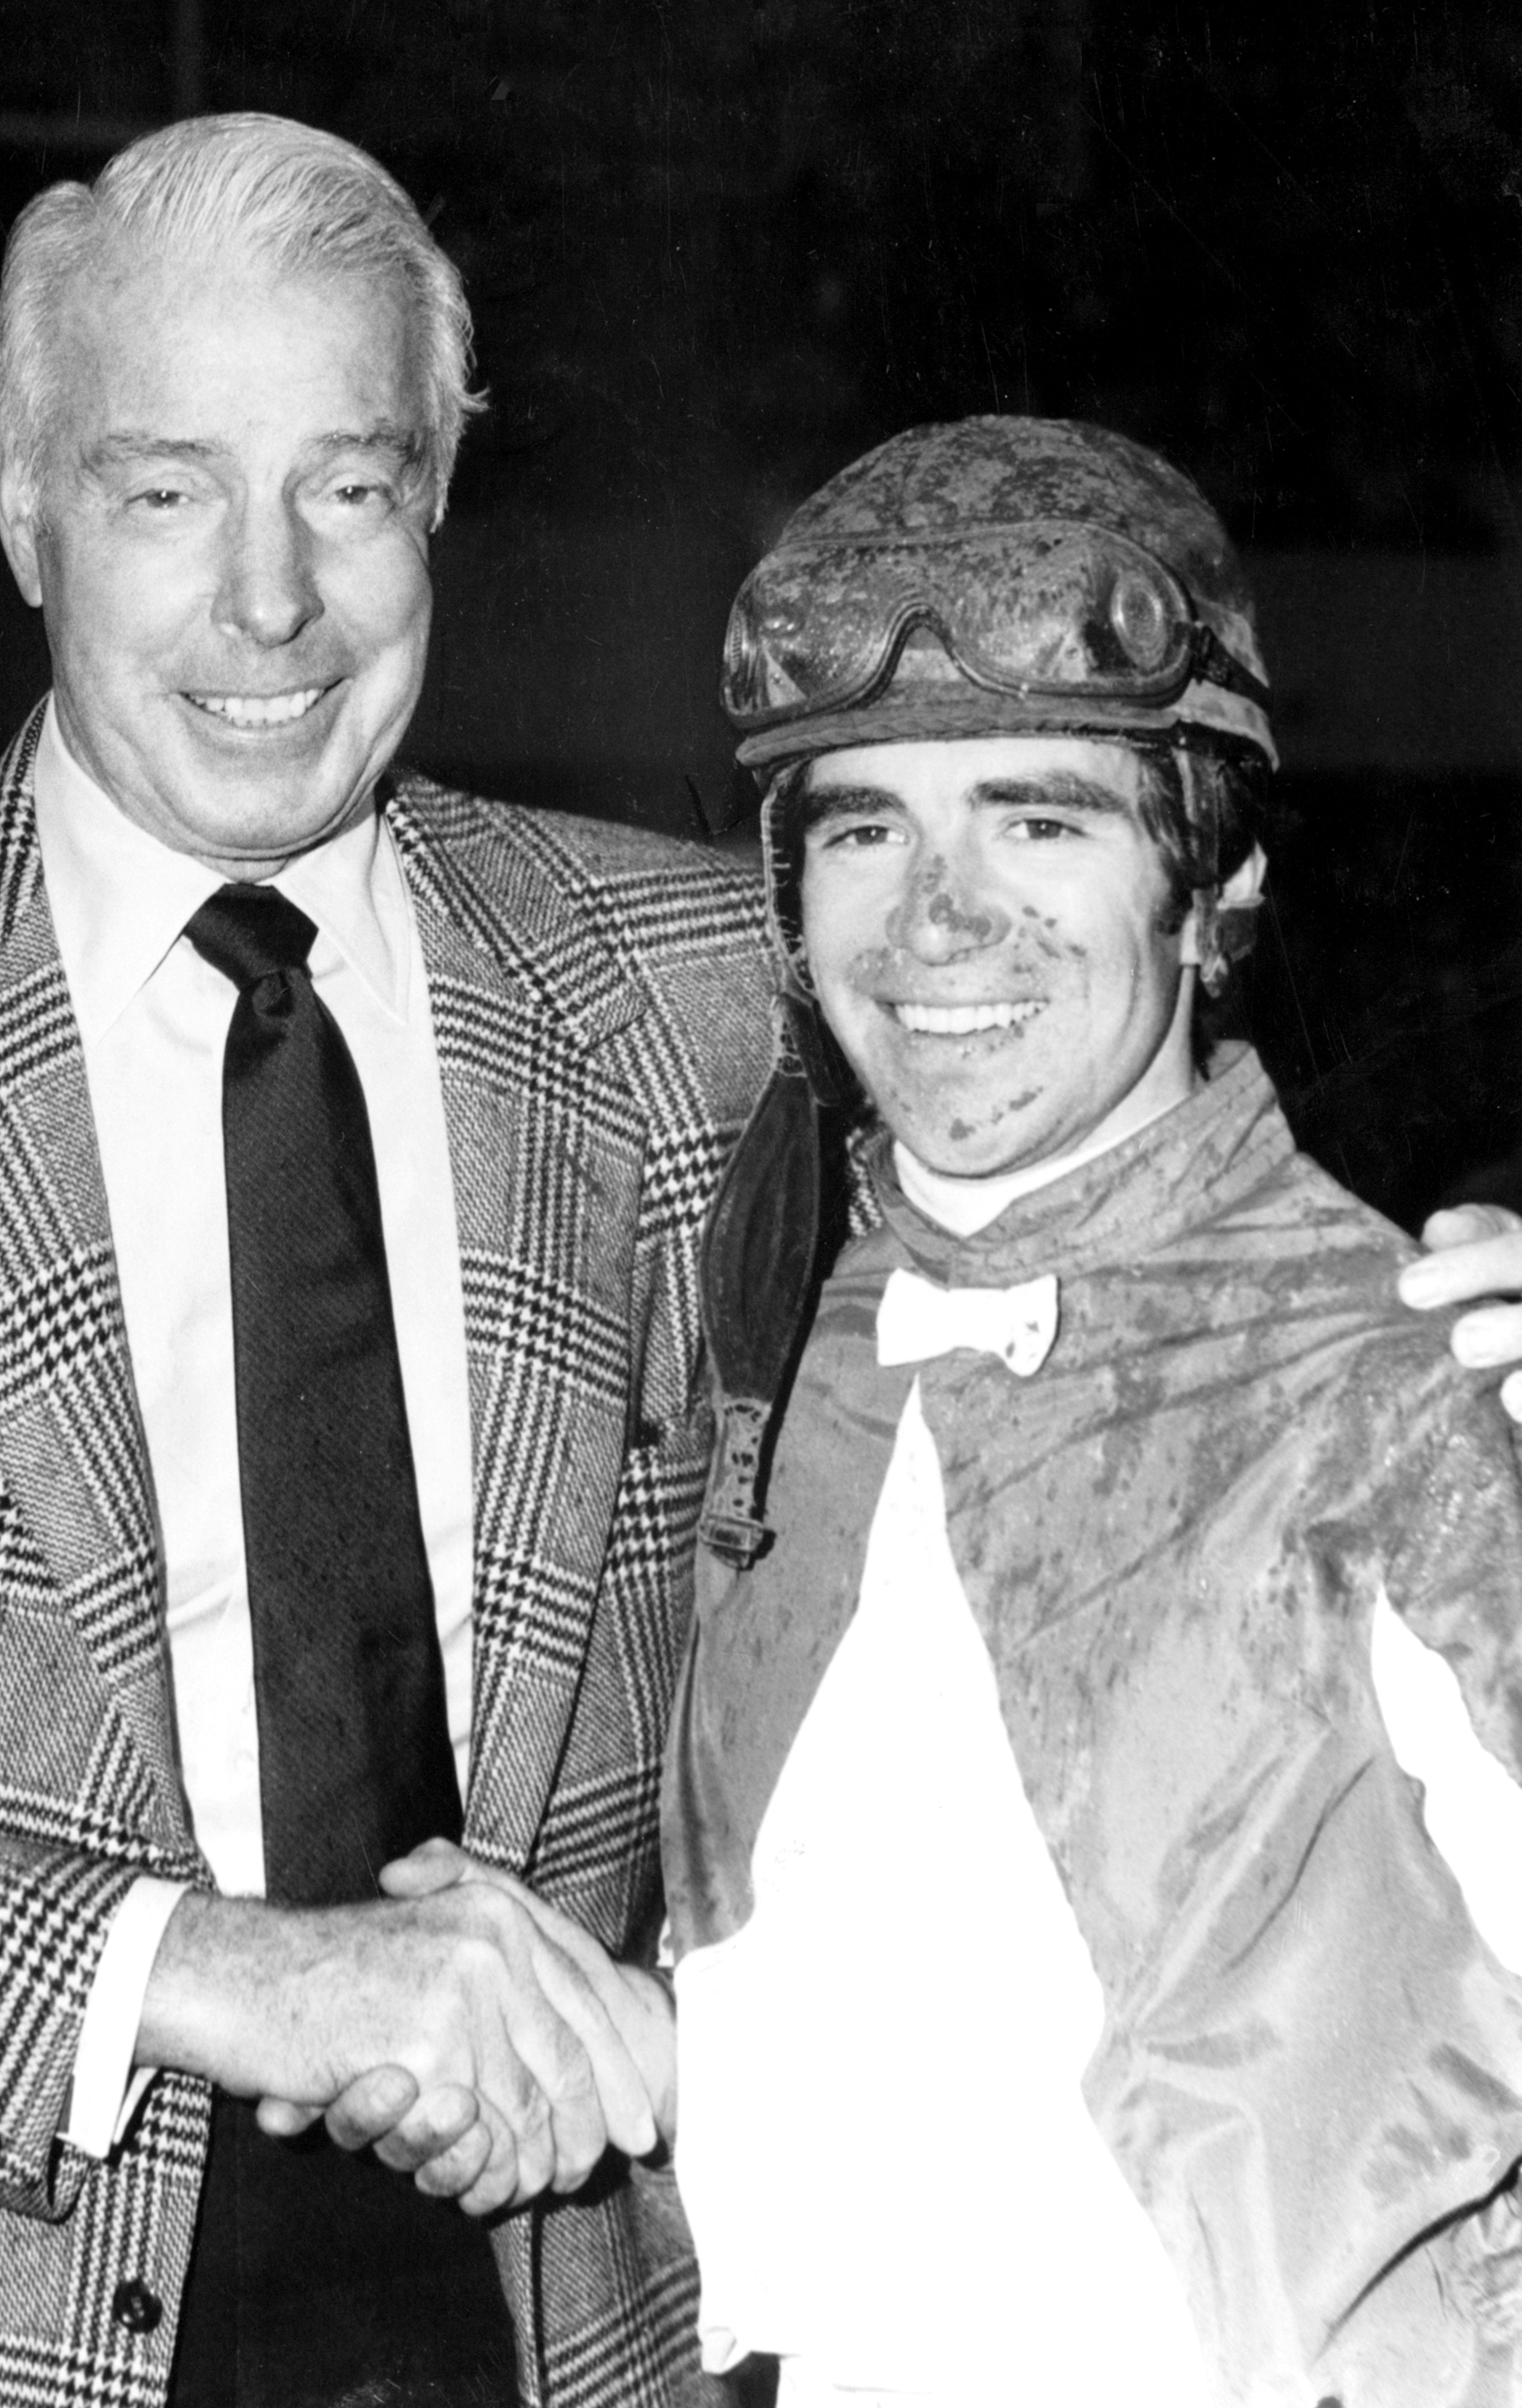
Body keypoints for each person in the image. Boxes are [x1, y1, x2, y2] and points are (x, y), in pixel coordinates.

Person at [0, 115, 770, 2408]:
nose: (269, 605)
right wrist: (207, 1971)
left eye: (344, 486)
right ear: (16, 497)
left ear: (434, 490)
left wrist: (1395, 1344)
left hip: (556, 2338)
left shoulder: (713, 989)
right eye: (164, 492)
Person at [640, 414, 1522, 2408]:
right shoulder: (753, 1334)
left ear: (1213, 895)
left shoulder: (1401, 1379)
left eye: (1041, 821)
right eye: (866, 828)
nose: (940, 921)